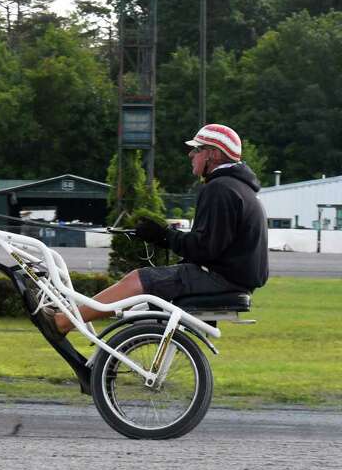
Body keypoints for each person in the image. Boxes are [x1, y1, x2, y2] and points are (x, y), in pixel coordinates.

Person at [45, 123, 269, 336]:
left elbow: (204, 249)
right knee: (144, 284)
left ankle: (63, 322)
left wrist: (162, 235)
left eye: (197, 149)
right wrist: (164, 235)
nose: (191, 155)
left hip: (220, 279)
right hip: (232, 278)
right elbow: (212, 244)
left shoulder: (220, 189)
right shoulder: (238, 188)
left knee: (136, 280)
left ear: (213, 154)